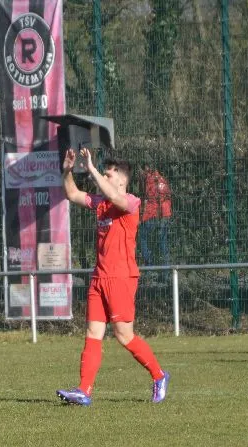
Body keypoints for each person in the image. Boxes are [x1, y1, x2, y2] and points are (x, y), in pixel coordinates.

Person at [56, 148, 170, 406]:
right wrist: (67, 171)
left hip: (121, 278)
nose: (103, 177)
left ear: (122, 180)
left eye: (108, 175)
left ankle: (159, 375)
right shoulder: (101, 203)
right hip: (99, 277)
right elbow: (72, 194)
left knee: (124, 335)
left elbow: (116, 198)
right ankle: (84, 391)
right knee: (92, 333)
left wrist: (92, 169)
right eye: (103, 174)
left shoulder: (131, 202)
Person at [139, 165, 172, 269]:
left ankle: (149, 264)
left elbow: (144, 197)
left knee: (142, 237)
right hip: (165, 213)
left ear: (147, 167)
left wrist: (141, 216)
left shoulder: (148, 179)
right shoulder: (163, 179)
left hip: (152, 213)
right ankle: (166, 271)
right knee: (163, 242)